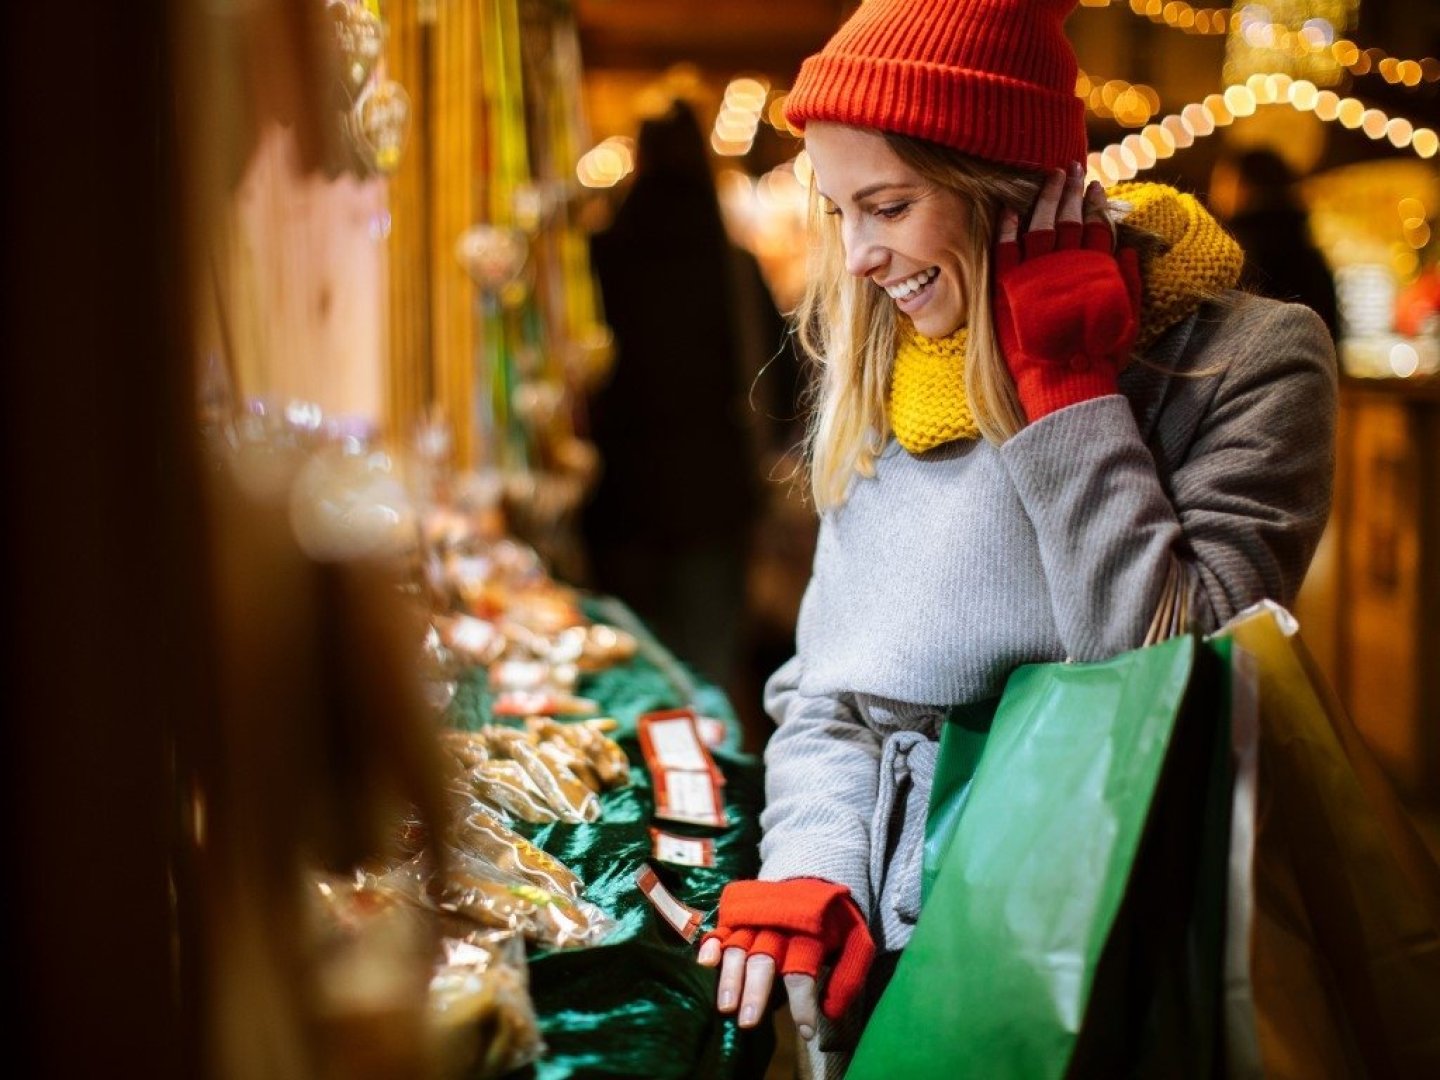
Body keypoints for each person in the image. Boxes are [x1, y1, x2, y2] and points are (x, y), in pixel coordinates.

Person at [692, 0, 1337, 1072]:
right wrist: (812, 865)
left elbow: (1184, 690)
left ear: (1009, 188)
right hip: (896, 949)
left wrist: (1069, 395)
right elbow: (832, 695)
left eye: (888, 205)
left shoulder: (1252, 359)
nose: (856, 257)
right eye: (840, 210)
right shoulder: (883, 361)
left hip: (1121, 942)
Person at [582, 100, 791, 692]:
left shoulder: (601, 254)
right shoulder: (732, 264)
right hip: (713, 498)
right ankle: (706, 777)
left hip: (620, 497)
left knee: (626, 666)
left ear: (640, 159)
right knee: (706, 669)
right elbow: (782, 378)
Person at [1211, 146, 1340, 339]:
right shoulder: (1307, 251)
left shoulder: (1231, 251)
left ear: (1243, 186)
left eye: (1222, 181)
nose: (1214, 191)